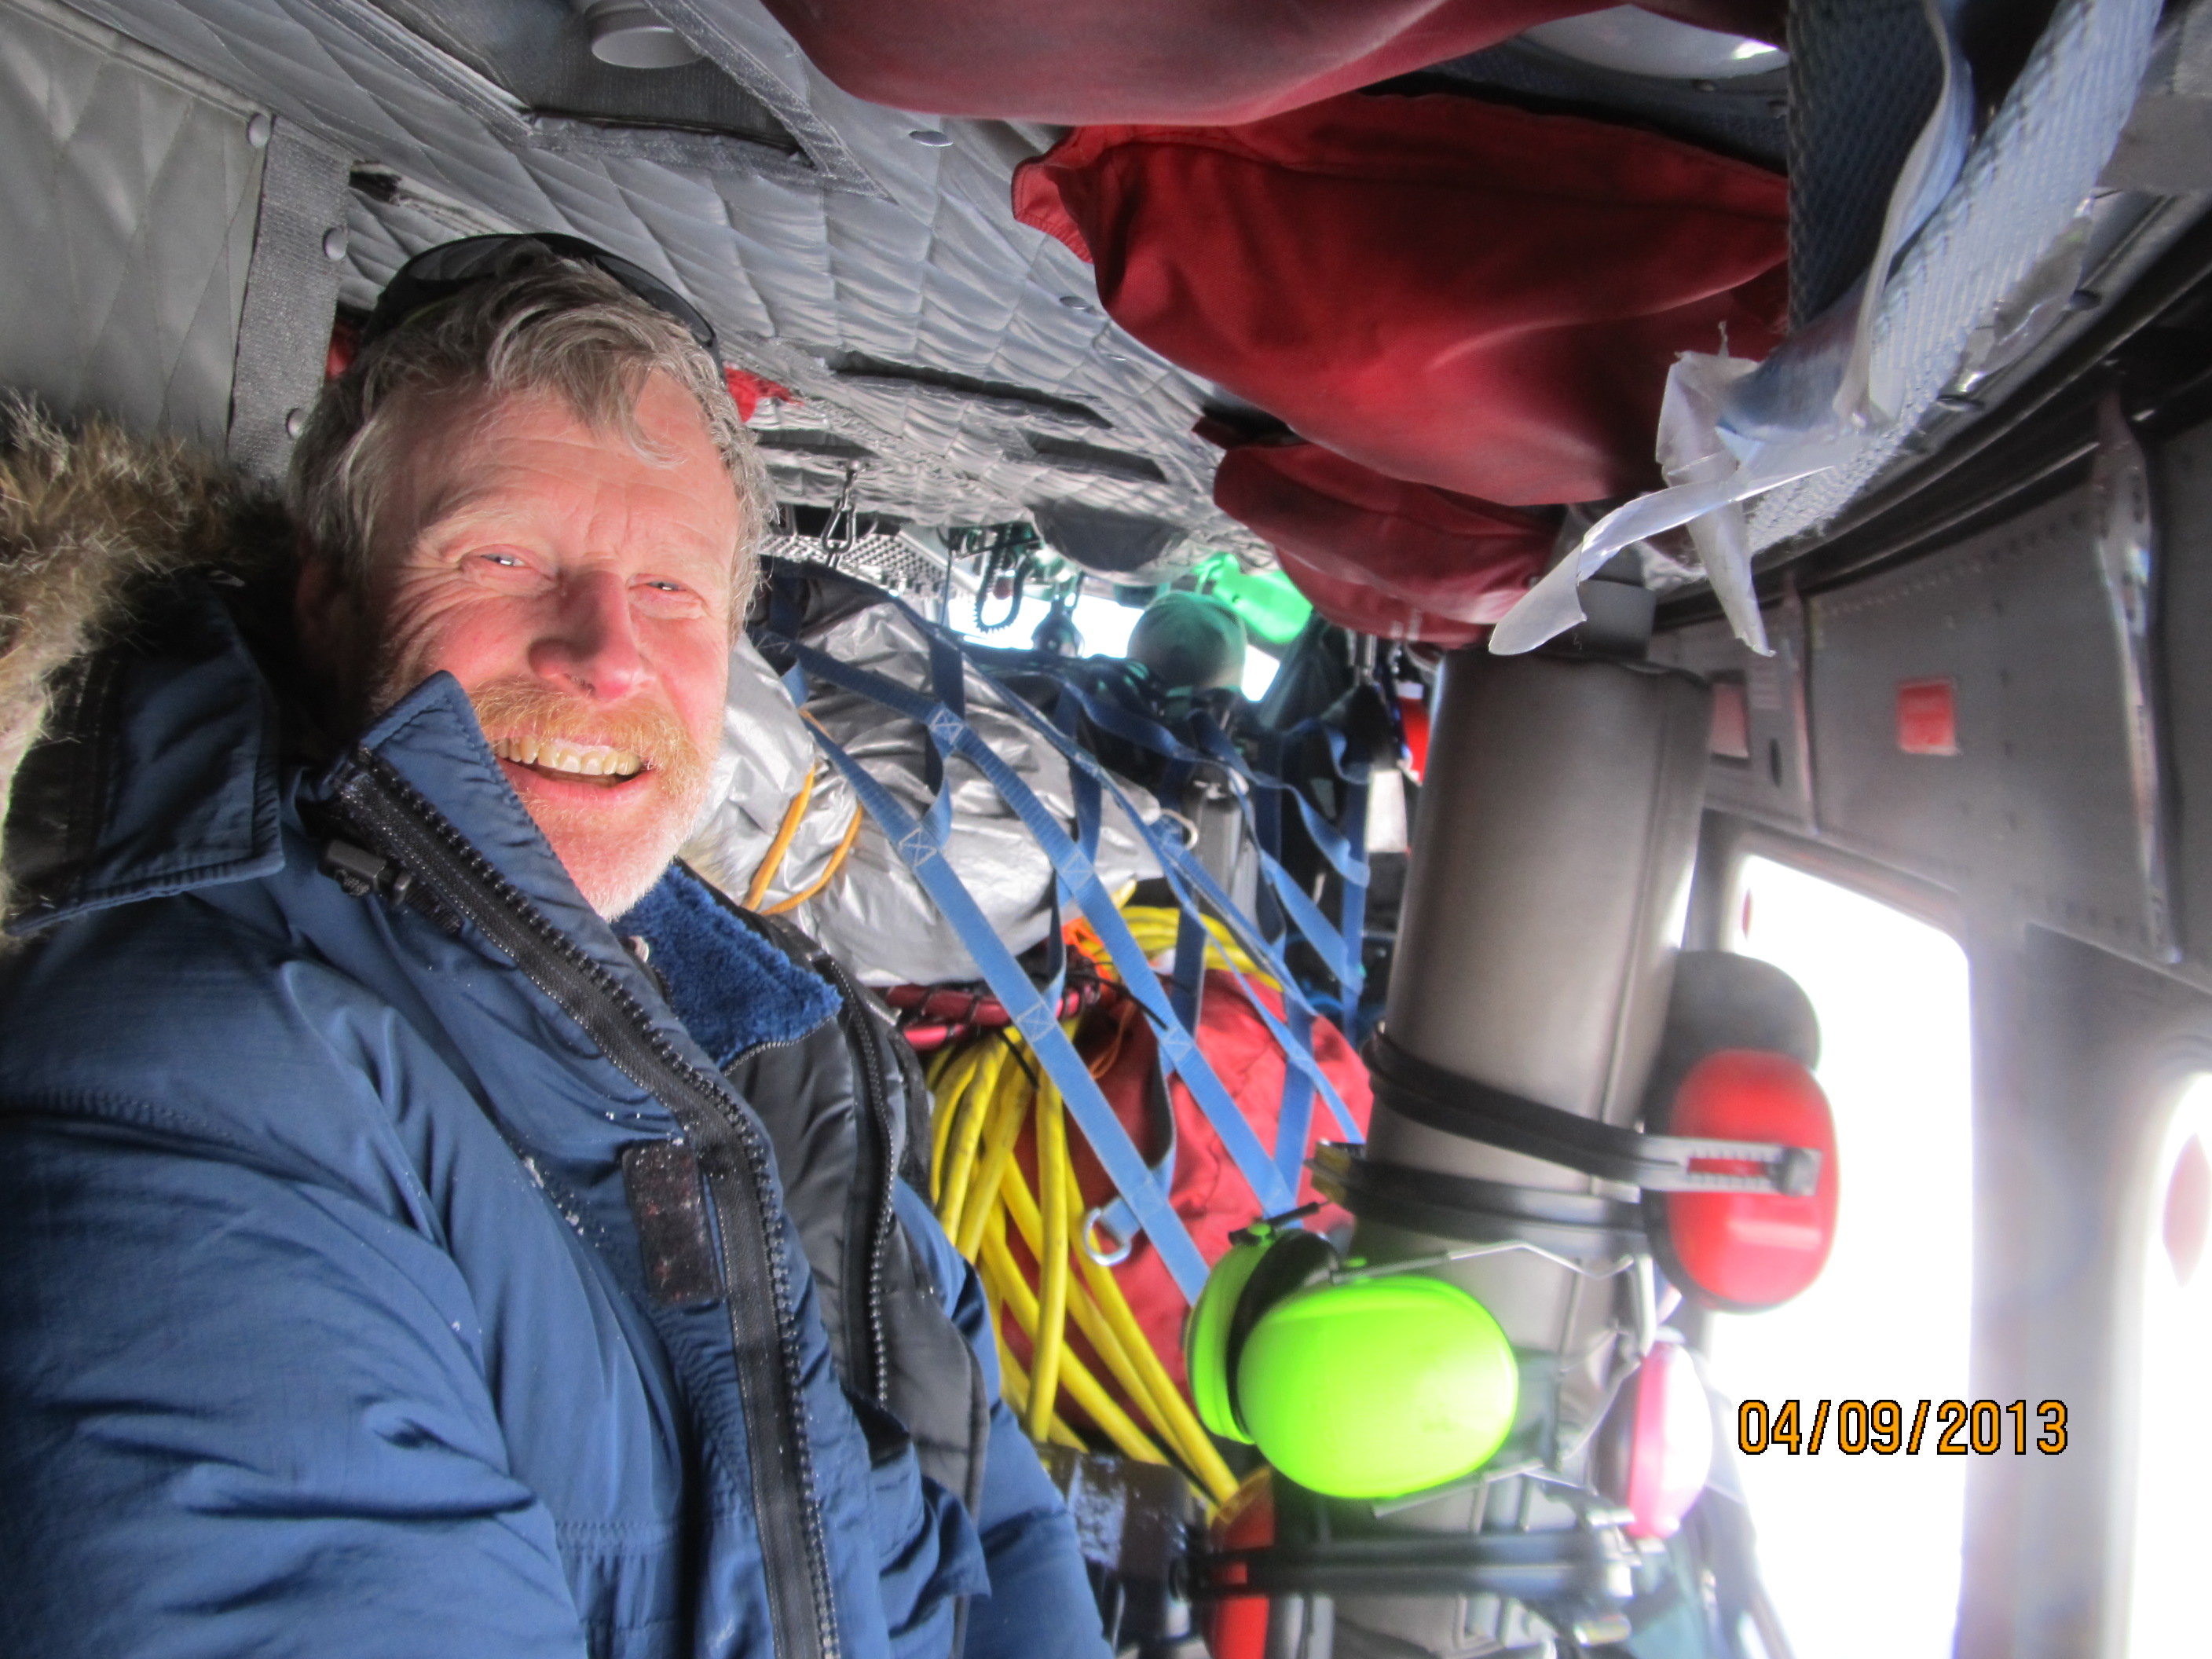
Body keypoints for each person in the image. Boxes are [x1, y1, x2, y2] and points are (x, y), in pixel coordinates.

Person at [0, 237, 1108, 1659]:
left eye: (671, 592)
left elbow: (991, 1510)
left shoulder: (796, 1046)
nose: (606, 656)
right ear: (326, 598)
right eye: (505, 556)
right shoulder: (198, 1083)